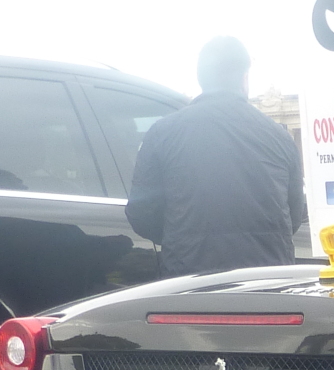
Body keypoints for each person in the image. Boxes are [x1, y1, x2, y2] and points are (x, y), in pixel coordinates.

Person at [126, 36, 305, 277]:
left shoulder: (162, 134)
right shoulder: (280, 137)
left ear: (201, 78)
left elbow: (140, 214)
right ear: (245, 79)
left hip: (189, 283)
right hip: (268, 285)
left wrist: (181, 237)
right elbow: (294, 216)